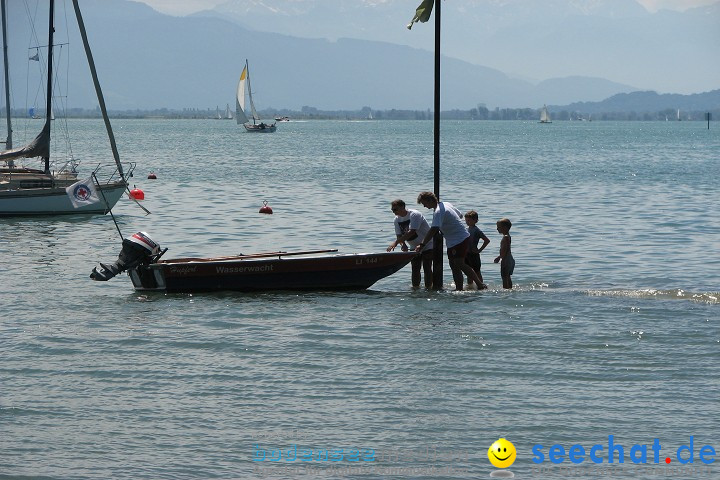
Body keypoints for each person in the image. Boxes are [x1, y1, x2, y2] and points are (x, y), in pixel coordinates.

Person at [414, 191, 485, 291]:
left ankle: (480, 284)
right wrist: (446, 227)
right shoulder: (446, 204)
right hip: (452, 241)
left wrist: (422, 244)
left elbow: (433, 229)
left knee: (460, 263)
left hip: (459, 239)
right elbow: (459, 215)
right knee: (454, 266)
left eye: (424, 203)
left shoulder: (438, 211)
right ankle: (459, 289)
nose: (424, 206)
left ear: (429, 200)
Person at [386, 199, 434, 289]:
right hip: (414, 246)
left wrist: (395, 243)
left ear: (402, 207)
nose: (393, 212)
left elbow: (412, 232)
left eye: (395, 209)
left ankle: (429, 289)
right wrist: (403, 245)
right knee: (415, 269)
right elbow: (399, 235)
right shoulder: (396, 219)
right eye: (392, 210)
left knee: (427, 267)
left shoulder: (414, 214)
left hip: (427, 243)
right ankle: (415, 289)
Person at [464, 210, 490, 289]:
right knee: (469, 272)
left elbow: (486, 240)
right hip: (466, 254)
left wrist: (479, 250)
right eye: (466, 220)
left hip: (474, 254)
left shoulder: (476, 230)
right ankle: (470, 286)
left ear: (475, 220)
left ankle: (481, 285)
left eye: (469, 220)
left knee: (477, 271)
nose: (467, 222)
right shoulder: (466, 229)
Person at [493, 218, 514, 289]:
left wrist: (499, 257)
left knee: (504, 276)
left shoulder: (505, 237)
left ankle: (505, 289)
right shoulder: (508, 236)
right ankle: (510, 288)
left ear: (505, 228)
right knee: (507, 276)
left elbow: (505, 249)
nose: (497, 229)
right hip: (510, 258)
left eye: (499, 227)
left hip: (506, 259)